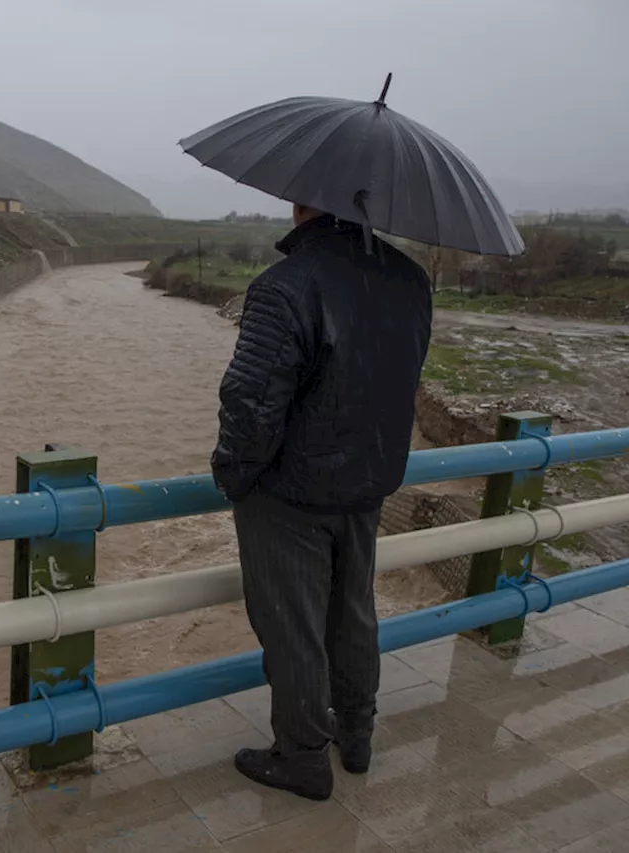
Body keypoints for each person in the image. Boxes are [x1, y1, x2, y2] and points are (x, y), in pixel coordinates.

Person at [211, 203, 432, 800]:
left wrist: (235, 476)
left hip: (292, 492)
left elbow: (252, 401)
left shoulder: (285, 286)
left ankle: (304, 757)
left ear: (304, 201)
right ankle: (356, 738)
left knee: (294, 631)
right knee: (353, 613)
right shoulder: (411, 279)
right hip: (368, 484)